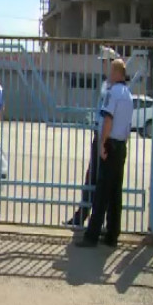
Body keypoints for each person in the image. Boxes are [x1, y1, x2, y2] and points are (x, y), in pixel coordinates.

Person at [76, 59, 133, 248]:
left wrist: (102, 144)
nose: (109, 74)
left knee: (101, 192)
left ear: (117, 73)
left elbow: (108, 119)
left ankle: (91, 236)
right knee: (115, 192)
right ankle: (112, 235)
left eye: (111, 71)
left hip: (110, 144)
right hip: (121, 146)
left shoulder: (113, 93)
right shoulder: (128, 95)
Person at [66, 46, 119, 227]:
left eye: (104, 62)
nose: (102, 66)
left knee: (97, 179)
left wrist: (102, 138)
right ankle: (85, 217)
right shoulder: (107, 84)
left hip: (104, 136)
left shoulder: (112, 86)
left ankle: (90, 219)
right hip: (100, 133)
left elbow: (108, 115)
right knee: (95, 178)